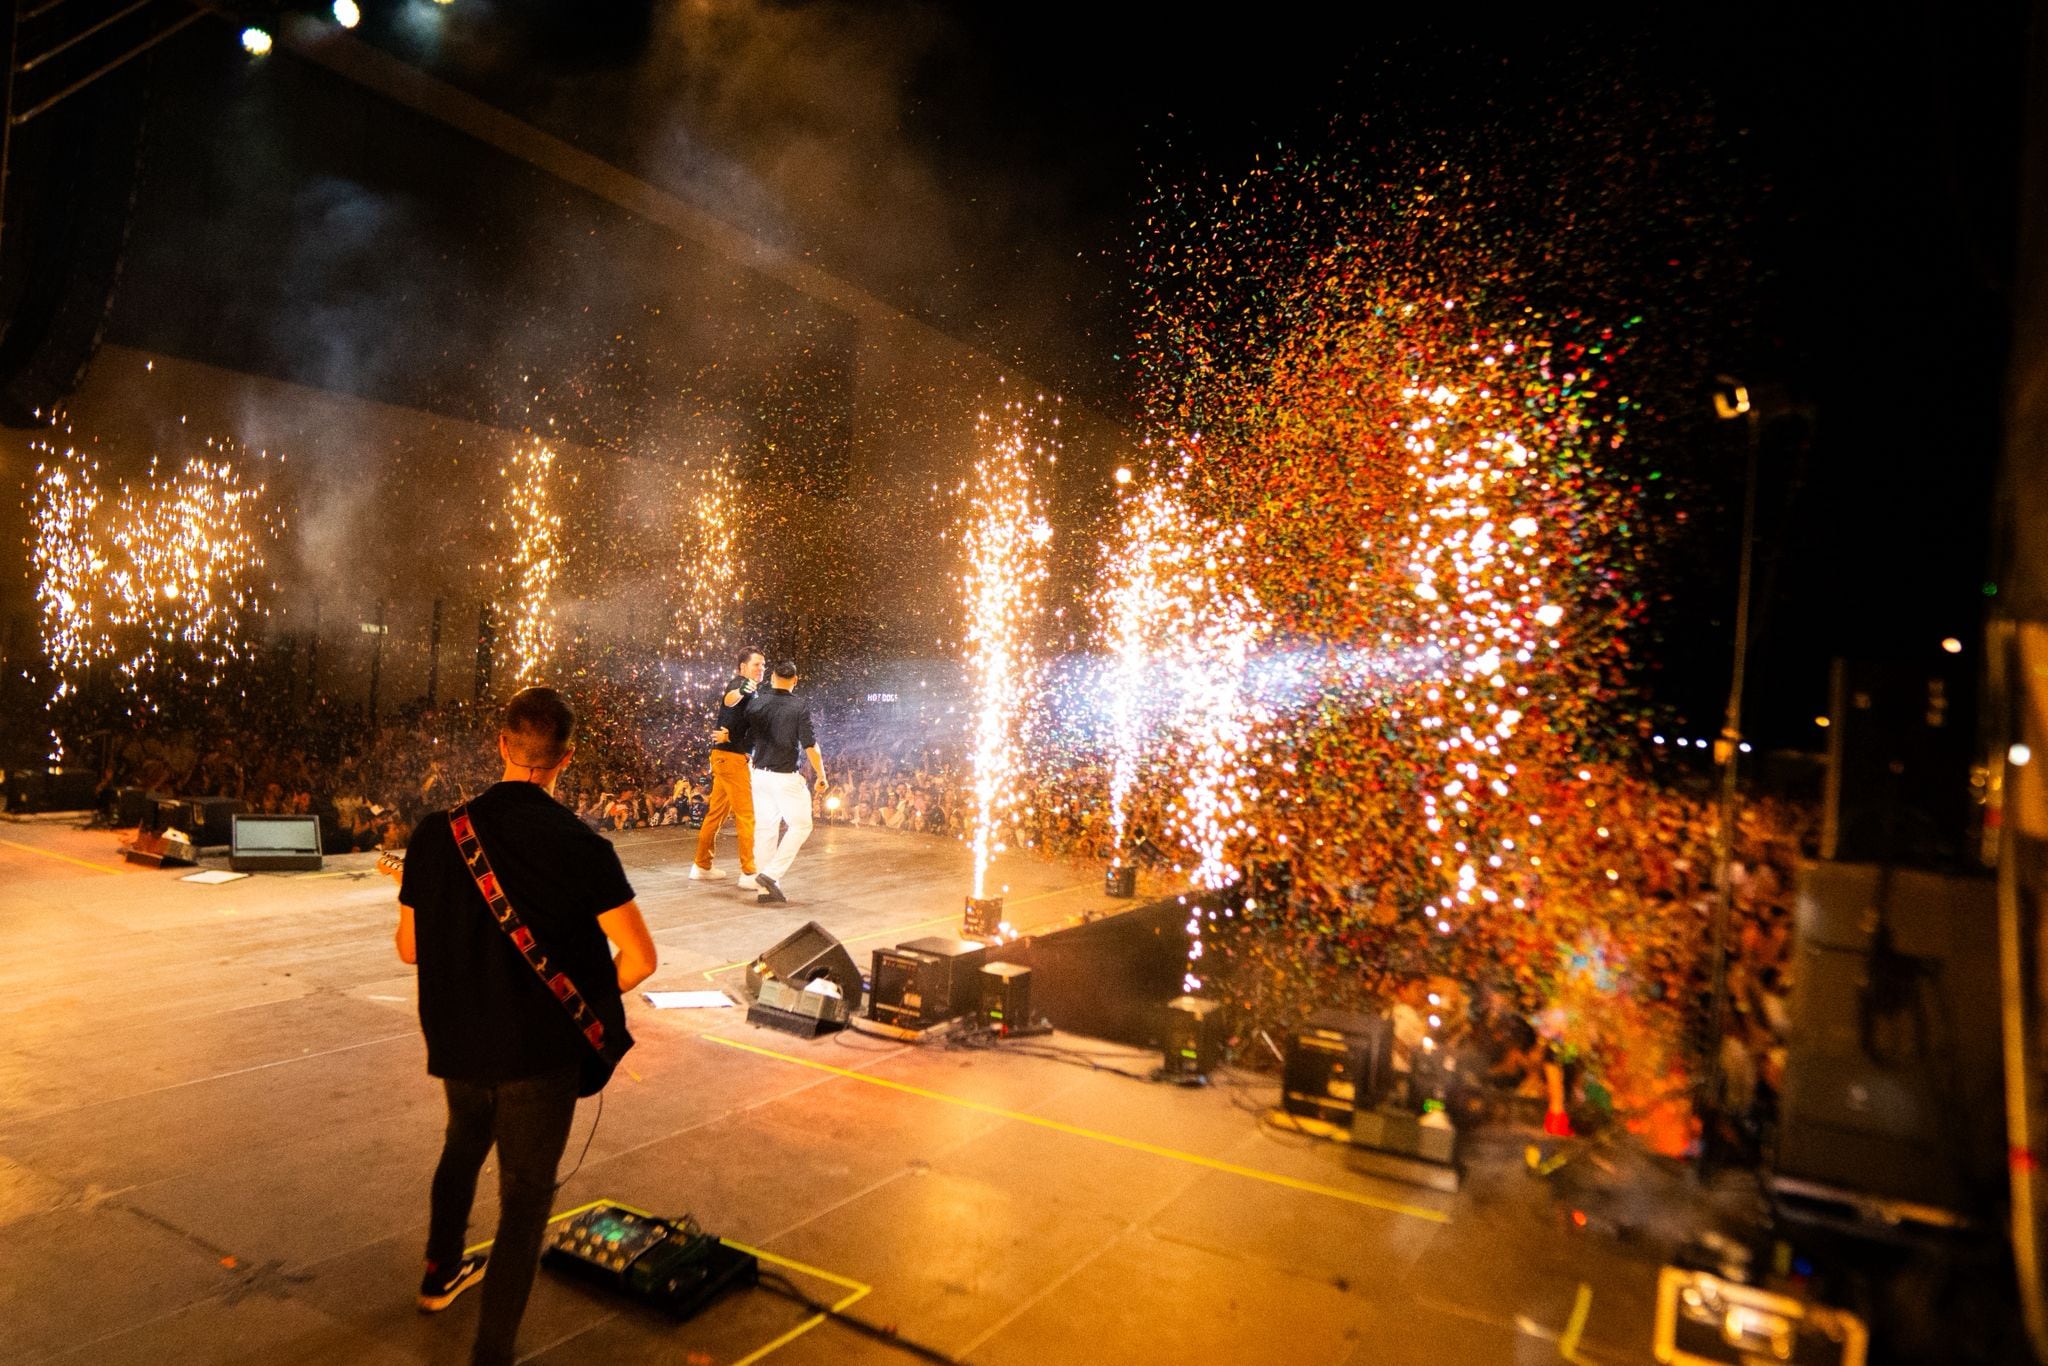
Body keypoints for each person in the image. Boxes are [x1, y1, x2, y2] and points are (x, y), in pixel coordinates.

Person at [394, 686, 657, 1366]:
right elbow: (639, 959)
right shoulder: (582, 846)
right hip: (538, 1056)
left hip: (457, 1041)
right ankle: (491, 1354)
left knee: (461, 1144)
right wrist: (580, 992)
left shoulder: (436, 832)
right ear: (566, 757)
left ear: (502, 744)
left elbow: (410, 947)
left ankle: (438, 1274)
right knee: (524, 1202)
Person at [745, 660, 828, 904]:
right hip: (784, 778)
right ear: (795, 680)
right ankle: (770, 876)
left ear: (771, 677)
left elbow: (747, 739)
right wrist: (821, 776)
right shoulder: (798, 706)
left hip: (759, 774)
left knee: (766, 831)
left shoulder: (757, 703)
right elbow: (810, 745)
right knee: (801, 826)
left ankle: (765, 891)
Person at [694, 649, 765, 888]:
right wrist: (744, 689)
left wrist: (733, 737)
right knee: (746, 816)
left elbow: (737, 720)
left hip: (724, 756)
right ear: (743, 667)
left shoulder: (753, 690)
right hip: (731, 759)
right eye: (756, 664)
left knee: (716, 813)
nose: (761, 668)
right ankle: (749, 873)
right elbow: (730, 698)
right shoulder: (741, 684)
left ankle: (702, 865)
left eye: (763, 665)